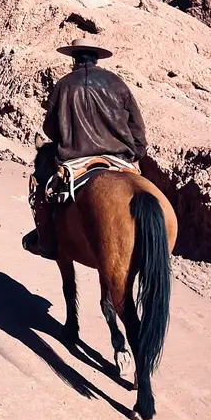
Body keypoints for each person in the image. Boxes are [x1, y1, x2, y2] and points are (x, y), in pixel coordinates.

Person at [23, 38, 147, 260]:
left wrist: (67, 137)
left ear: (74, 59)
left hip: (75, 156)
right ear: (97, 59)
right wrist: (136, 152)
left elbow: (49, 127)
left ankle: (47, 241)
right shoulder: (117, 83)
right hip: (118, 156)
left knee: (41, 186)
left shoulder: (64, 84)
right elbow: (136, 124)